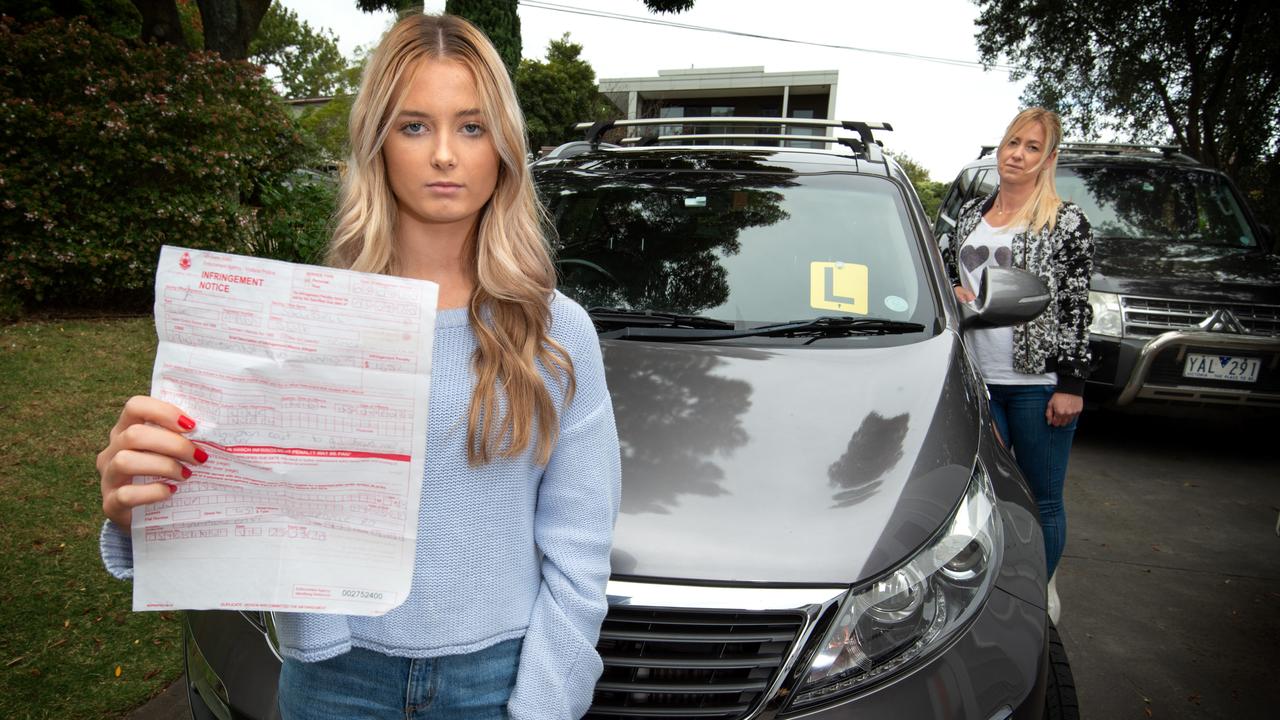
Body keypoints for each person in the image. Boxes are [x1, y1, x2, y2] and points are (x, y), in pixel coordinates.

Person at [96, 14, 621, 720]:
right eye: (414, 126)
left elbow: (580, 556)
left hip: (497, 681)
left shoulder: (558, 333)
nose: (444, 154)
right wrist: (142, 504)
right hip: (334, 680)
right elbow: (240, 509)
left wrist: (544, 704)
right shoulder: (298, 324)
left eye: (470, 126)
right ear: (377, 141)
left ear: (505, 147)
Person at [940, 107, 1094, 596]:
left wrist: (1072, 385)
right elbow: (942, 275)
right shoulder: (970, 215)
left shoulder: (1065, 221)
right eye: (1014, 143)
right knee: (991, 495)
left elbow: (1074, 304)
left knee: (1042, 500)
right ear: (1000, 147)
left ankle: (1036, 595)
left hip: (1035, 385)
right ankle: (997, 588)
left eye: (1032, 148)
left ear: (1048, 159)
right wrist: (952, 288)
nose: (1019, 156)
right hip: (976, 378)